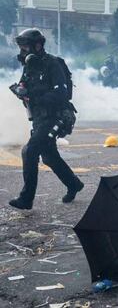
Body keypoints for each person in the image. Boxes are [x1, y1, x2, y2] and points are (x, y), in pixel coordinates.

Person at [9, 28, 84, 210]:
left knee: (30, 151)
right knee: (49, 157)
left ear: (38, 45)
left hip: (56, 117)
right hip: (40, 118)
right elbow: (24, 83)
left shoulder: (53, 64)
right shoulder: (29, 66)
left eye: (25, 47)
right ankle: (74, 184)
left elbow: (61, 94)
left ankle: (26, 199)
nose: (23, 51)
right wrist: (20, 91)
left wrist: (33, 96)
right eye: (21, 47)